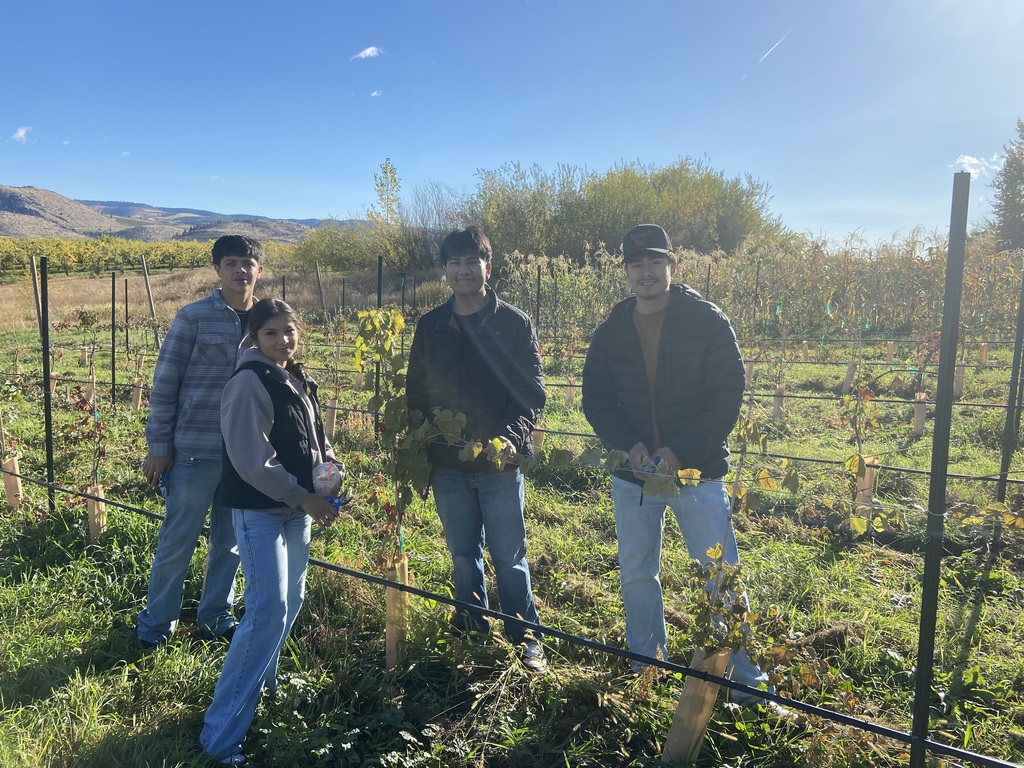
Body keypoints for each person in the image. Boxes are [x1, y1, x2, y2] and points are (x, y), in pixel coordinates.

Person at [581, 224, 769, 703]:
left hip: (696, 473)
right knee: (637, 569)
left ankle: (745, 683)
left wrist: (680, 451)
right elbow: (596, 400)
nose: (646, 272)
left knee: (720, 573)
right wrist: (630, 445)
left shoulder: (706, 321)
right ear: (626, 271)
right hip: (634, 475)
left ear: (672, 266)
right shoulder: (611, 330)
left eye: (654, 262)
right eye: (636, 264)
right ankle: (647, 662)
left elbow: (728, 393)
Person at [200, 298, 342, 765]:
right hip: (262, 511)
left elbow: (314, 437)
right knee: (266, 611)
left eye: (289, 331)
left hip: (297, 507)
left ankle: (264, 681)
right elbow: (251, 460)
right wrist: (304, 497)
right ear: (254, 337)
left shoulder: (296, 377)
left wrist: (328, 467)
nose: (283, 340)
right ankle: (220, 736)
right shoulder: (248, 383)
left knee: (292, 600)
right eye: (271, 333)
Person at [406, 225, 548, 673]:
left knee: (510, 555)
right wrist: (421, 458)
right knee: (462, 554)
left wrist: (512, 436)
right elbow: (416, 395)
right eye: (454, 262)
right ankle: (471, 628)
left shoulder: (514, 323)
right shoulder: (431, 325)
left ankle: (525, 634)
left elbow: (532, 393)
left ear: (488, 266)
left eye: (472, 261)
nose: (463, 270)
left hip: (500, 464)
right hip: (447, 464)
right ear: (445, 270)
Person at [137, 234, 264, 648]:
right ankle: (156, 626)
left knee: (229, 544)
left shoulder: (266, 323)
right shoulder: (192, 318)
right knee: (177, 542)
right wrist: (159, 446)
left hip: (243, 457)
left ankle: (215, 618)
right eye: (231, 263)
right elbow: (166, 383)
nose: (240, 270)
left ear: (258, 270)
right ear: (217, 270)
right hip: (193, 451)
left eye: (247, 263)